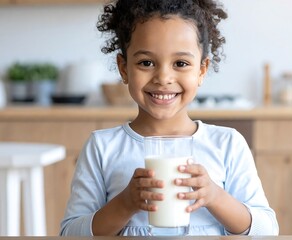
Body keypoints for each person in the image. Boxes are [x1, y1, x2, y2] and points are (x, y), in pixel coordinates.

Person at [60, 0, 279, 236]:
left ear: (201, 70)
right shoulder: (102, 147)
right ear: (124, 69)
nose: (163, 77)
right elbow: (71, 233)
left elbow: (266, 231)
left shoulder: (227, 144)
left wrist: (215, 196)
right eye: (146, 62)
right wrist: (125, 204)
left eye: (181, 63)